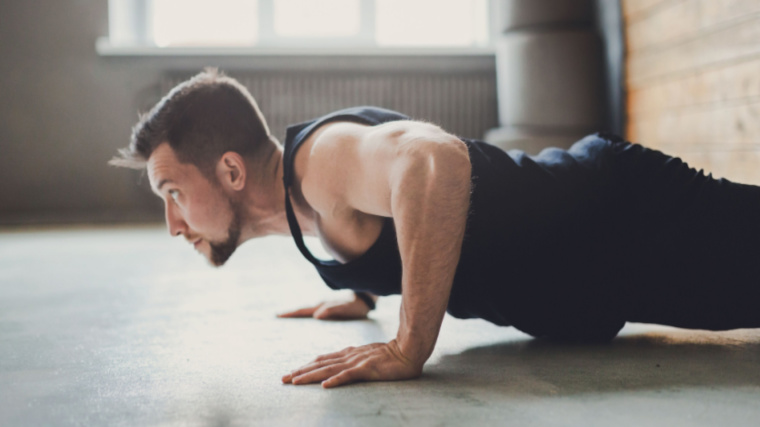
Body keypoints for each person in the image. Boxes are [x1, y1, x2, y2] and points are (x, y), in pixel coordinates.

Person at [110, 69, 760, 389]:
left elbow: (434, 162)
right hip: (604, 275)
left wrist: (409, 344)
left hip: (622, 221)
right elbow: (380, 219)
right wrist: (361, 290)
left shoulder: (323, 161)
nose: (171, 223)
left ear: (228, 170)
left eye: (172, 192)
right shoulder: (300, 205)